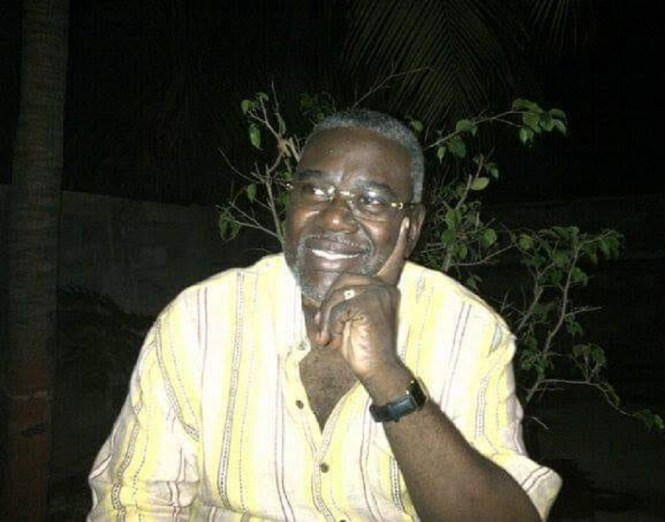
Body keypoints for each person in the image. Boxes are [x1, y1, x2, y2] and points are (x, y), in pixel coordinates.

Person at [88, 110, 561, 521]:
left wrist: (386, 374)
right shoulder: (200, 321)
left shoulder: (465, 330)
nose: (334, 217)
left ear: (410, 226)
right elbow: (135, 500)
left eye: (372, 200)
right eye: (315, 190)